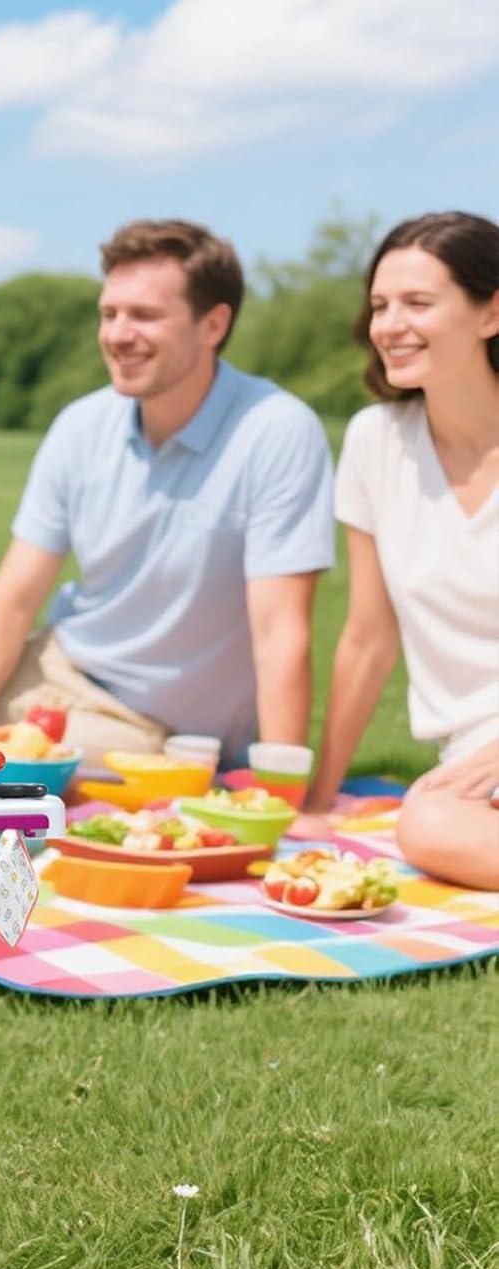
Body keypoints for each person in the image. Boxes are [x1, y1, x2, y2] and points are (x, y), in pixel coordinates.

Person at [0, 219, 335, 768]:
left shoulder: (277, 431)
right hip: (52, 665)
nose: (117, 334)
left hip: (157, 729)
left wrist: (280, 789)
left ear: (213, 325)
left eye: (144, 315)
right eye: (109, 313)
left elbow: (281, 632)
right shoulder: (81, 425)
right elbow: (15, 596)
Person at [301, 212, 499, 890]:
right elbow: (367, 637)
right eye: (380, 305)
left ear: (491, 312)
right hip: (472, 765)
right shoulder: (375, 442)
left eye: (418, 303)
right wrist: (320, 798)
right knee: (430, 825)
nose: (389, 325)